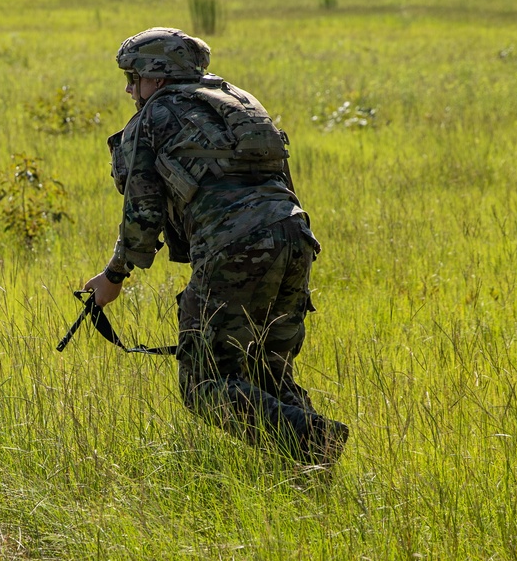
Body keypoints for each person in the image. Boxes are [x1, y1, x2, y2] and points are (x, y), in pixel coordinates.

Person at [83, 27, 349, 467]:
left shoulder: (154, 116)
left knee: (204, 385)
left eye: (134, 78)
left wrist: (114, 277)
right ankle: (311, 476)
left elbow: (143, 212)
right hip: (295, 237)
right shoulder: (239, 102)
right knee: (268, 372)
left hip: (234, 247)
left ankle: (313, 438)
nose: (130, 89)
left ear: (159, 76)